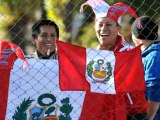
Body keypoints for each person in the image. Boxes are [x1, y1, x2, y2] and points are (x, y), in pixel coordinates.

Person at [80, 0, 149, 120]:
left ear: (118, 28)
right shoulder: (94, 55)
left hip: (132, 113)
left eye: (108, 24)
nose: (103, 29)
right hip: (103, 113)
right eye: (100, 24)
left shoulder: (129, 53)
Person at [131, 16, 160, 120]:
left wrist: (149, 117)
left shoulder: (154, 56)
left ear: (135, 37)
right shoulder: (148, 55)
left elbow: (155, 90)